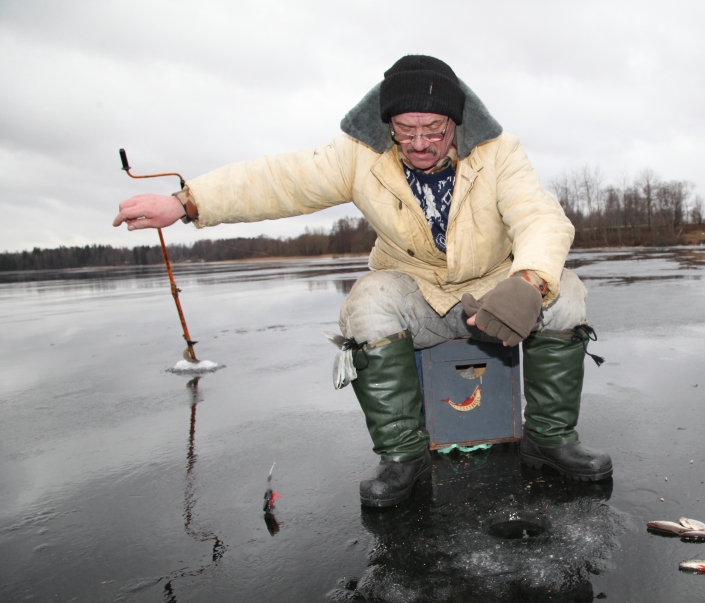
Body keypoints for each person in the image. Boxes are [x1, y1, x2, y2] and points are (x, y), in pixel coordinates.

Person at [114, 55, 612, 507]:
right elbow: (279, 180)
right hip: (416, 293)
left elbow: (541, 218)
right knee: (366, 302)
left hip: (492, 291)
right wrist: (185, 202)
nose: (419, 143)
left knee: (564, 291)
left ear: (456, 121)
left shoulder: (499, 151)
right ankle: (404, 457)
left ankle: (550, 439)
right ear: (387, 124)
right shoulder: (358, 156)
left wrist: (526, 282)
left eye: (434, 130)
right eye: (405, 129)